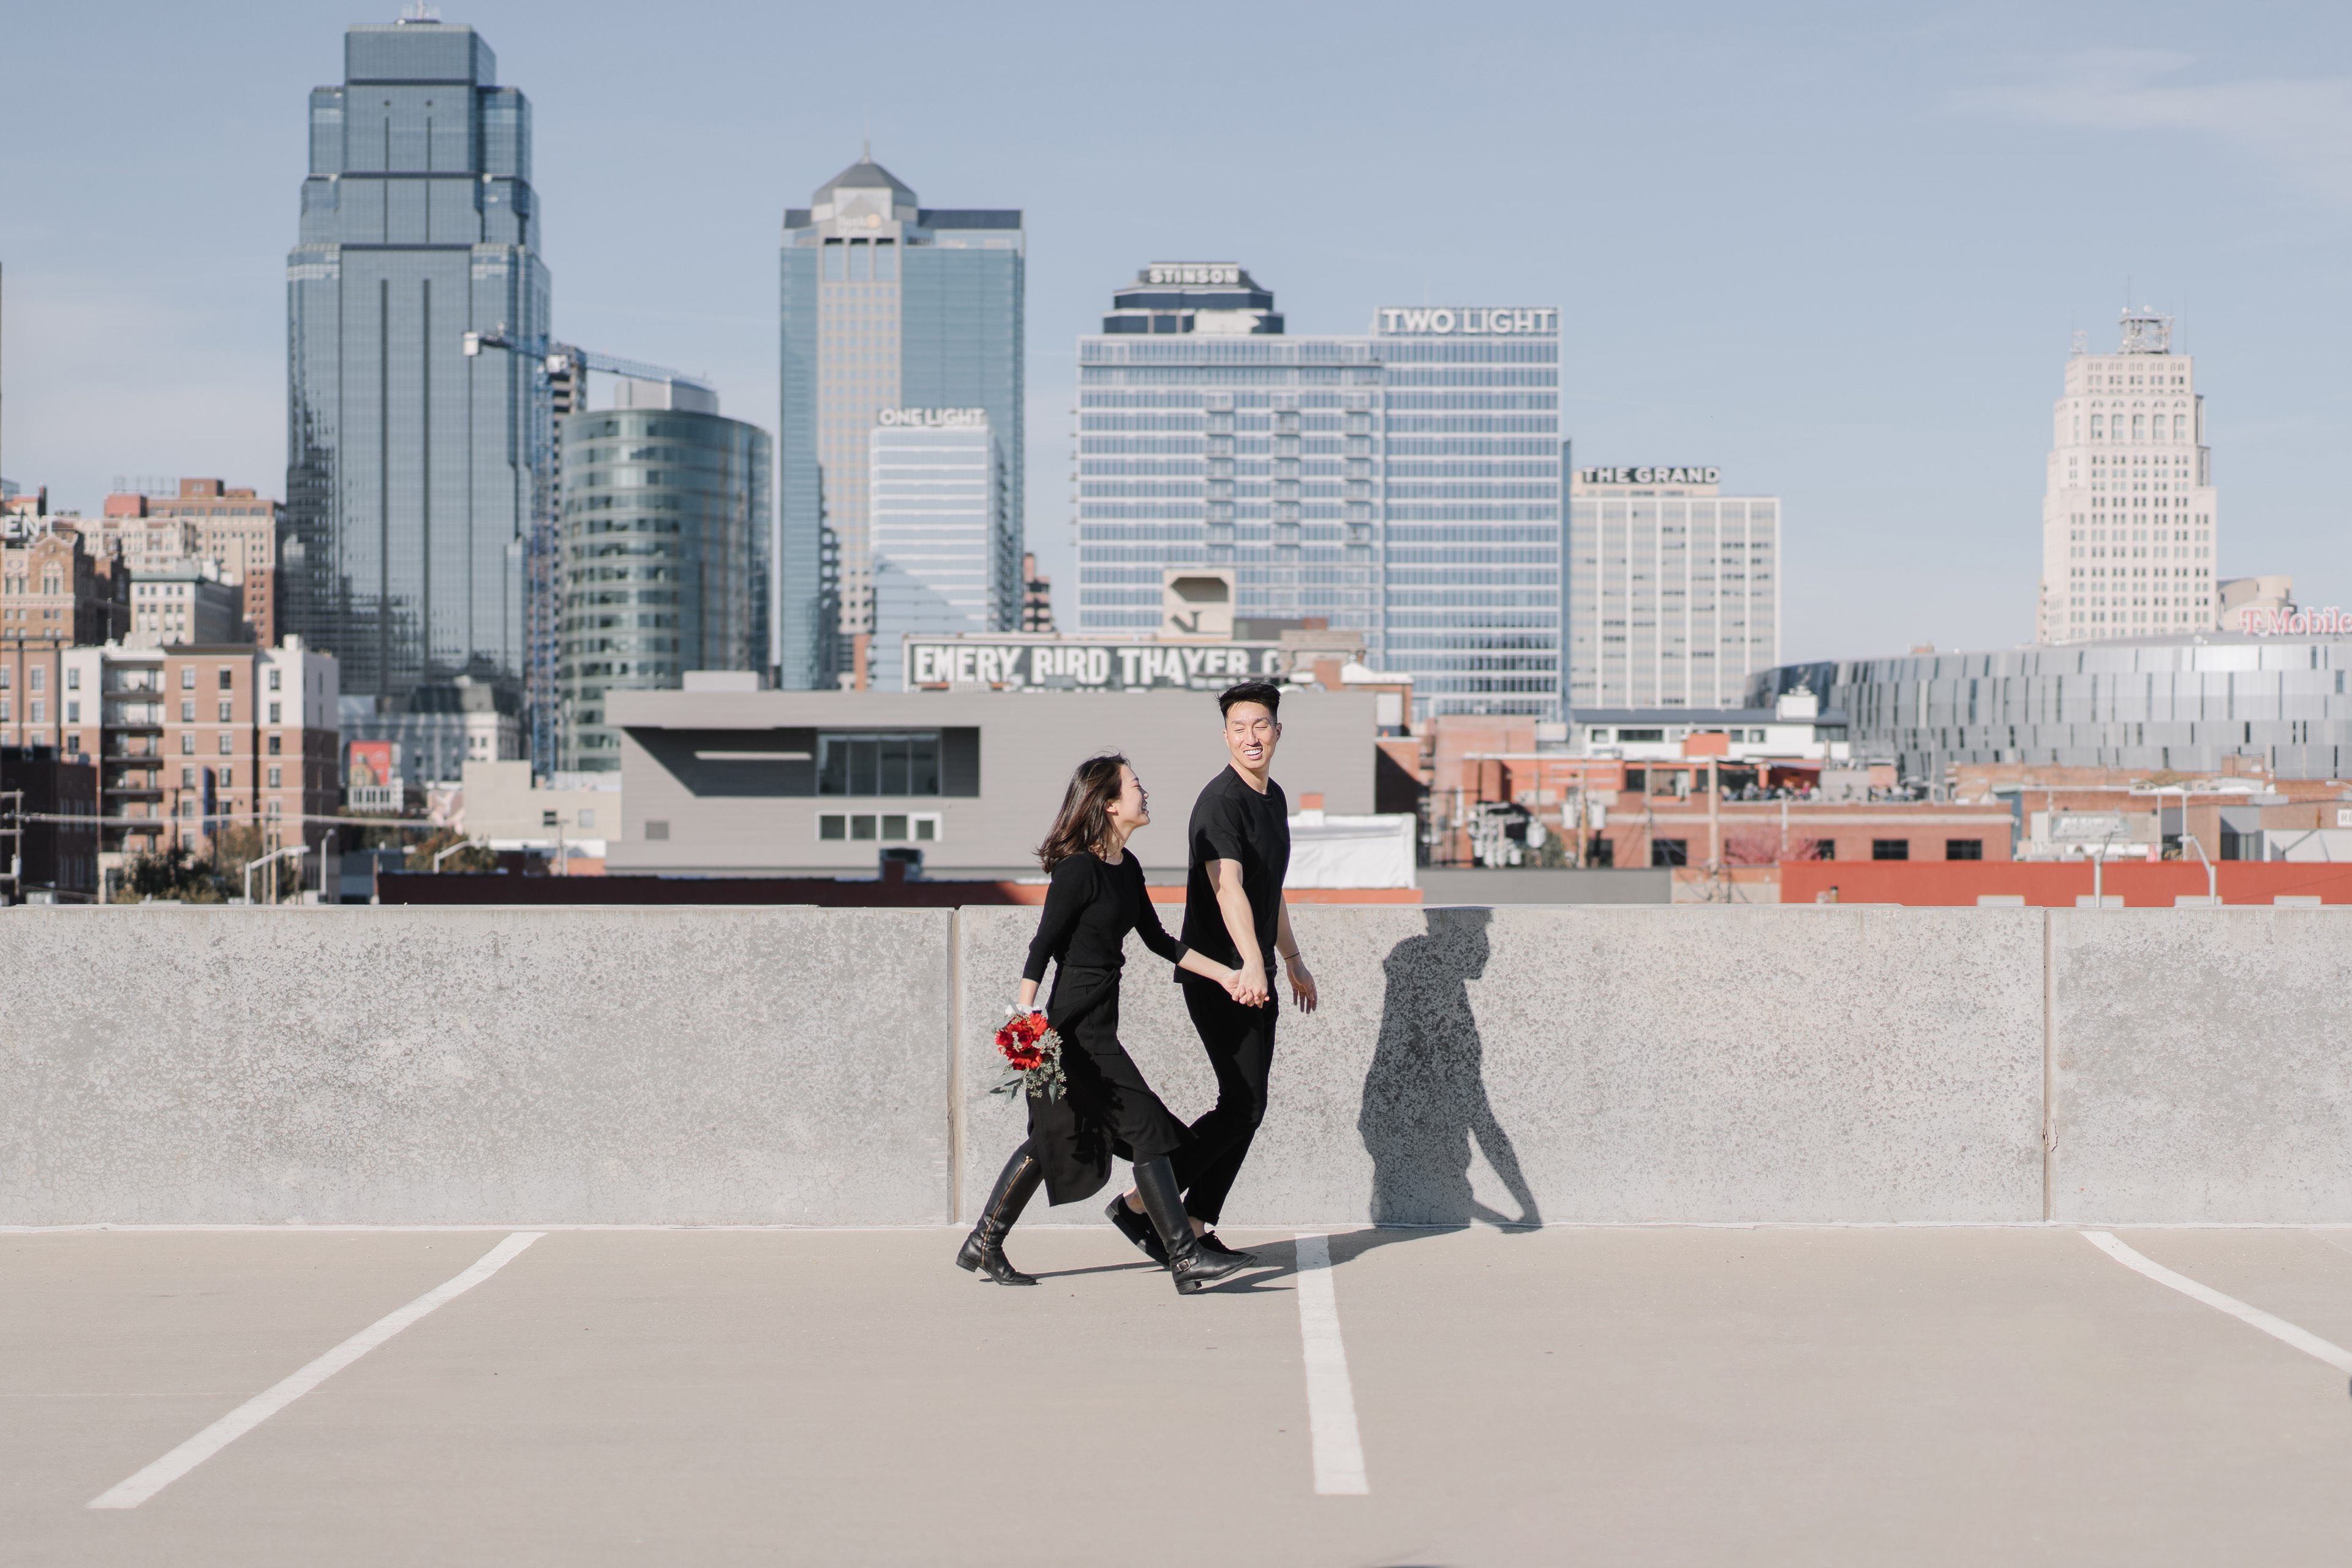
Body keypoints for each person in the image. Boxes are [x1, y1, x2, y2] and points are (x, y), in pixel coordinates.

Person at [956, 753, 1262, 1295]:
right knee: (1149, 1131)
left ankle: (984, 1241)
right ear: (1111, 804)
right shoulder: (1078, 870)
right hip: (1073, 1030)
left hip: (1101, 1022)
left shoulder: (1127, 867)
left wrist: (1226, 975)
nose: (1146, 792)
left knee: (1052, 1139)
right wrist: (1025, 1024)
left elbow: (1160, 941)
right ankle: (1185, 1257)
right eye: (1136, 785)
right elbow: (1042, 946)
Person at [1106, 680, 1318, 1266]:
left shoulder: (1272, 799)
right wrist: (1250, 963)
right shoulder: (1220, 804)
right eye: (1239, 728)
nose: (1252, 737)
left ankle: (1196, 1223)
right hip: (1221, 977)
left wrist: (1291, 960)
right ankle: (1140, 1203)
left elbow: (1268, 890)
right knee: (1241, 1105)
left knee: (1247, 1106)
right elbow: (1228, 889)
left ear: (1278, 731)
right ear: (1225, 736)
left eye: (1261, 726)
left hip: (1257, 972)